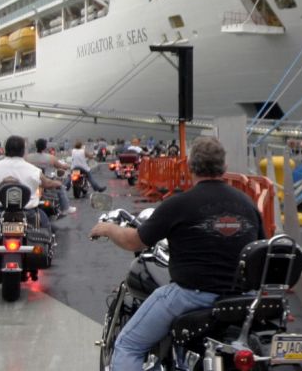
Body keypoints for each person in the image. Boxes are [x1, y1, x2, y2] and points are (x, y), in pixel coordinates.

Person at [89, 136, 265, 371]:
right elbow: (259, 246)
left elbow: (135, 242)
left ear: (190, 166)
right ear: (224, 167)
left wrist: (109, 228)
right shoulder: (247, 203)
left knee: (129, 345)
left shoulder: (179, 204)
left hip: (191, 295)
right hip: (242, 296)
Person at [0, 135, 64, 232]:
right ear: (23, 151)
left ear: (5, 150)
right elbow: (48, 183)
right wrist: (58, 183)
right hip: (28, 214)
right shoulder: (34, 170)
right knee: (46, 228)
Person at [24, 138, 77, 215]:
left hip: (30, 181)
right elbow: (62, 166)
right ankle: (66, 208)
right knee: (60, 186)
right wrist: (69, 166)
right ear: (45, 147)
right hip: (45, 181)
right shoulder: (50, 158)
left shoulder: (28, 157)